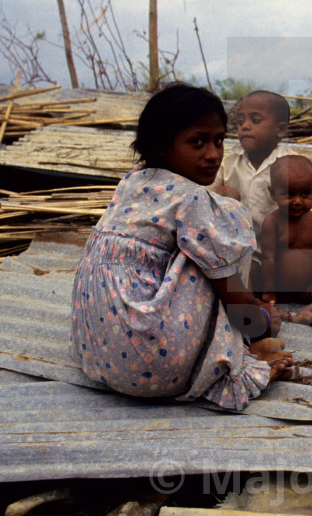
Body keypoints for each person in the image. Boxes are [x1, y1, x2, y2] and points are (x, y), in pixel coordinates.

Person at [70, 82, 293, 411]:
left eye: (218, 140)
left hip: (98, 356)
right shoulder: (191, 198)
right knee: (219, 243)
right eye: (197, 142)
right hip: (159, 369)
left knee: (201, 245)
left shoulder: (132, 182)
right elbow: (230, 293)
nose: (213, 154)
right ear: (161, 146)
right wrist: (260, 326)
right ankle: (242, 353)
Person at [211, 90, 292, 286]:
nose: (245, 127)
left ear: (280, 130)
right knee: (242, 279)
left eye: (255, 121)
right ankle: (256, 305)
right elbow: (206, 199)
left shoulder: (291, 164)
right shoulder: (228, 162)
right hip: (239, 252)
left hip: (279, 253)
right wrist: (224, 197)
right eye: (240, 122)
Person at [256, 155, 312, 326]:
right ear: (273, 193)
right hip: (276, 290)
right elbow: (268, 258)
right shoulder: (272, 222)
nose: (297, 201)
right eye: (289, 194)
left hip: (307, 289)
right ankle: (267, 308)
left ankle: (308, 311)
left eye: (305, 193)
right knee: (251, 274)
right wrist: (269, 290)